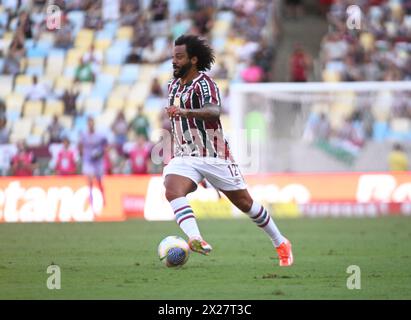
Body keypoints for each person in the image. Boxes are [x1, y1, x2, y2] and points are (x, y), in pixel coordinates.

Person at [163, 35, 293, 266]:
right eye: (173, 56)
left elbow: (214, 111)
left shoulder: (205, 83)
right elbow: (178, 125)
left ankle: (280, 241)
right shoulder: (173, 85)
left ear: (193, 60)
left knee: (246, 204)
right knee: (172, 190)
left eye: (179, 57)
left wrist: (184, 112)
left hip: (214, 155)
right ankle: (195, 238)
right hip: (186, 155)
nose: (174, 61)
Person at [78, 117, 108, 208]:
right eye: (89, 123)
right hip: (88, 161)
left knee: (99, 180)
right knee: (90, 179)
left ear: (94, 124)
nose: (90, 125)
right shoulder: (84, 135)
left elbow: (106, 145)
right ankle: (91, 199)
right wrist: (82, 154)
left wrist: (101, 153)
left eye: (92, 123)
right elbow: (80, 145)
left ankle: (103, 197)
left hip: (98, 161)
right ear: (87, 125)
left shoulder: (100, 135)